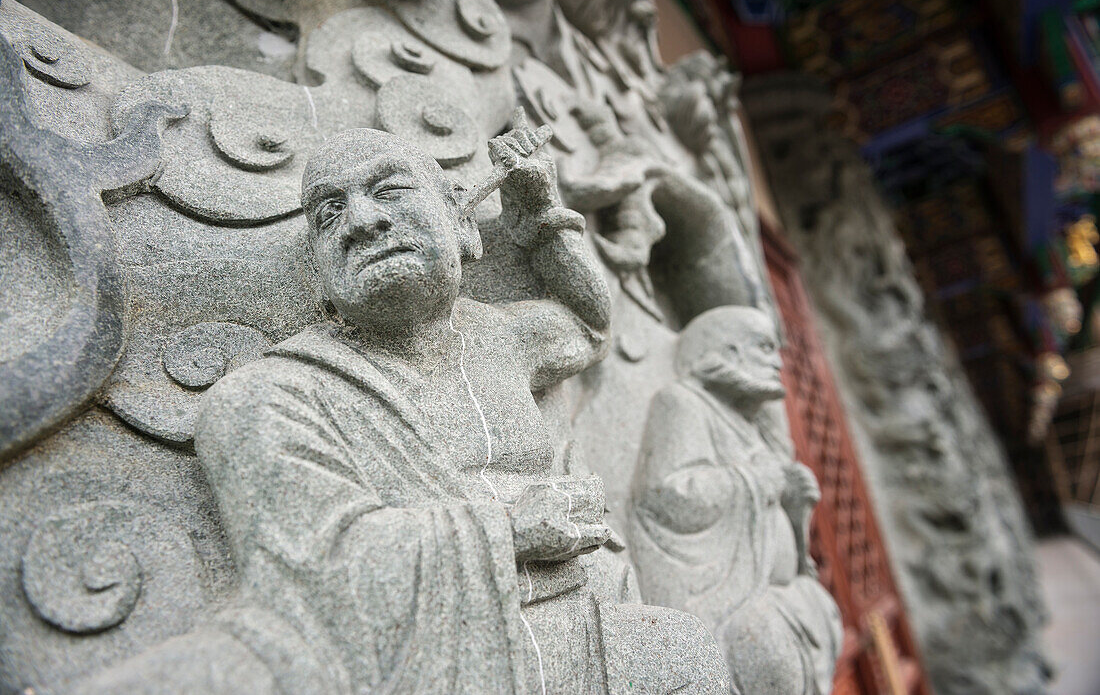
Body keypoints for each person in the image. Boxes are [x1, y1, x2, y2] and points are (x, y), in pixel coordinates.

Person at [73, 111, 729, 694]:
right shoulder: (271, 396)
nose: (362, 220)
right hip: (422, 652)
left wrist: (541, 217)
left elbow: (588, 327)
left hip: (567, 626)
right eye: (329, 213)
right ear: (317, 268)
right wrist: (512, 527)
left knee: (685, 654)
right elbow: (313, 573)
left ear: (461, 223)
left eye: (389, 190)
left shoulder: (499, 337)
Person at [631, 305, 842, 695]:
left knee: (820, 608)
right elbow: (666, 494)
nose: (778, 362)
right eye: (763, 347)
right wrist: (755, 480)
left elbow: (771, 508)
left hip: (775, 590)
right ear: (727, 353)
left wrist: (793, 507)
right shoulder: (681, 402)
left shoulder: (748, 424)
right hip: (723, 596)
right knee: (765, 647)